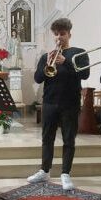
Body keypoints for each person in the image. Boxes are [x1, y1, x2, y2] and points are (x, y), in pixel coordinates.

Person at [26, 18, 90, 190]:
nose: (59, 37)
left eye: (62, 34)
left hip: (70, 103)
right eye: (56, 35)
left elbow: (85, 75)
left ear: (69, 34)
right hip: (49, 102)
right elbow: (38, 78)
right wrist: (46, 64)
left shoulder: (79, 53)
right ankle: (44, 171)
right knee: (47, 139)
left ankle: (65, 174)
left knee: (69, 139)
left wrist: (66, 62)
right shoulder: (46, 56)